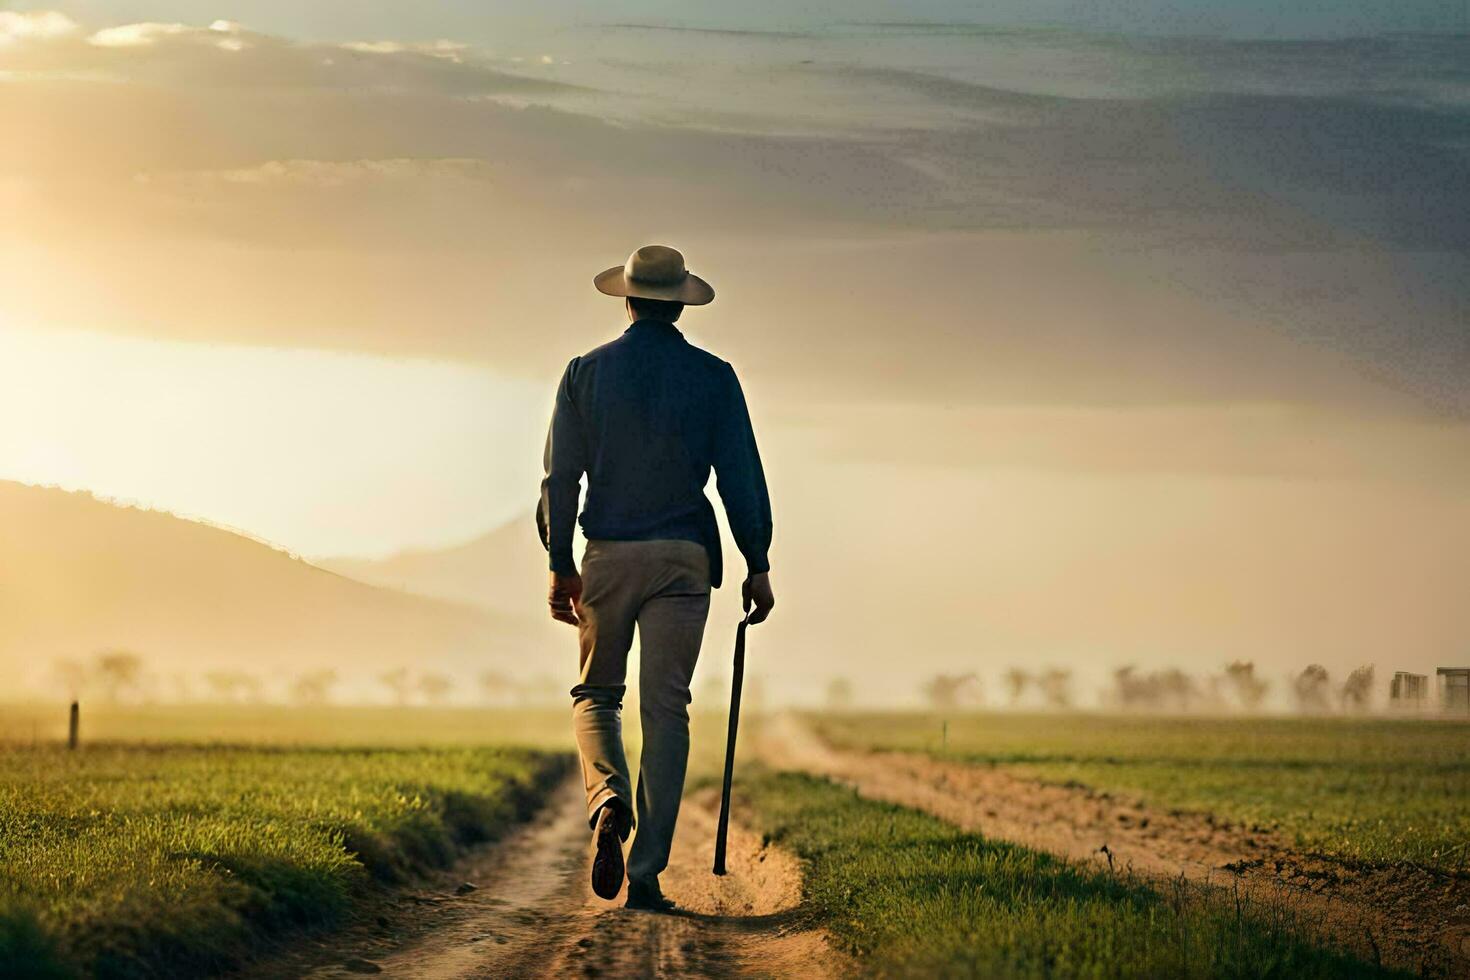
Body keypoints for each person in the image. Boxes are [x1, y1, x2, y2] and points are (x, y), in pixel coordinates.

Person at [537, 244, 775, 912]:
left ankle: (607, 797)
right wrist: (757, 562)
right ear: (679, 304)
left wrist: (560, 565)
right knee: (666, 709)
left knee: (597, 695)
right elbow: (741, 477)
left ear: (628, 298)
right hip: (683, 558)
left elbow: (560, 479)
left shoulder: (584, 373)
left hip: (608, 553)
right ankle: (645, 874)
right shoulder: (715, 377)